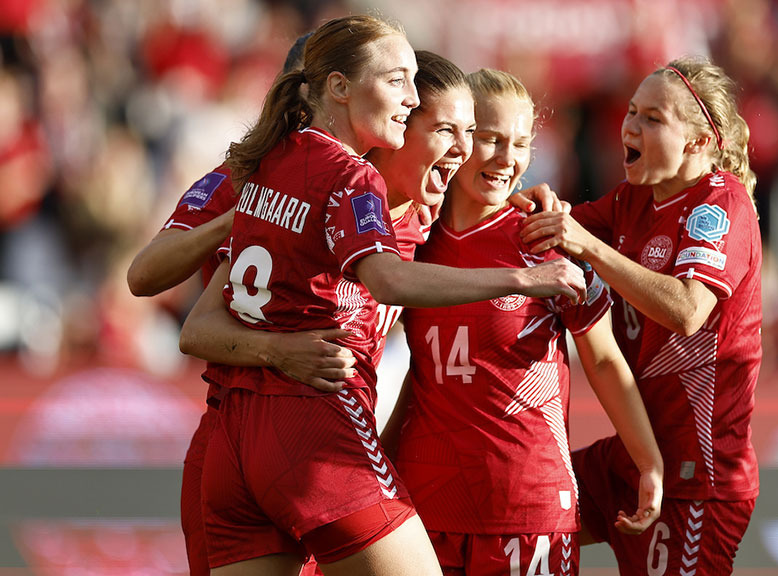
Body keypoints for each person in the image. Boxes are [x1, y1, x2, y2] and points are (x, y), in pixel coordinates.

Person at [176, 15, 585, 576]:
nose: (464, 152)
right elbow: (191, 322)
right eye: (444, 131)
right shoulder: (347, 185)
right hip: (308, 431)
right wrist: (282, 351)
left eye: (471, 134)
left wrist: (544, 214)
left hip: (246, 445)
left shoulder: (408, 209)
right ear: (397, 129)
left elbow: (487, 202)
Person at [386, 68, 663, 576]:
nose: (506, 159)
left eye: (519, 144)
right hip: (425, 505)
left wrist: (648, 462)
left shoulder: (545, 239)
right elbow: (424, 373)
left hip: (526, 507)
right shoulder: (411, 238)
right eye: (489, 139)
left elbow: (602, 359)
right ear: (459, 139)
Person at [521, 56, 762, 575]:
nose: (630, 125)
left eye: (653, 118)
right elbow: (544, 232)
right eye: (632, 111)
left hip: (698, 478)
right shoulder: (633, 200)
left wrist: (590, 248)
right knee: (520, 512)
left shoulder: (721, 207)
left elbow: (688, 309)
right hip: (631, 457)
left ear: (700, 142)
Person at [126, 32, 348, 576]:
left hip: (332, 433)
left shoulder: (374, 185)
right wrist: (239, 217)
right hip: (242, 422)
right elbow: (145, 276)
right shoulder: (240, 178)